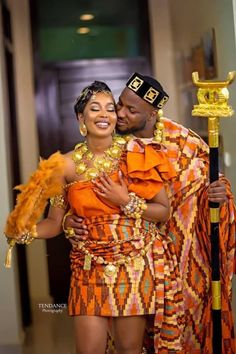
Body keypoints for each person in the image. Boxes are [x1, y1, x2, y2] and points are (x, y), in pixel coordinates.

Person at [5, 80, 185, 354]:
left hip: (133, 265)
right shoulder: (64, 166)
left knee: (129, 349)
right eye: (94, 108)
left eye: (110, 109)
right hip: (89, 268)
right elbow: (54, 223)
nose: (104, 115)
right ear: (81, 117)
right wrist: (23, 231)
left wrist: (125, 201)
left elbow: (163, 211)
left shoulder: (135, 154)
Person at [65, 73, 236, 353]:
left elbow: (207, 180)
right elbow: (79, 190)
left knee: (177, 331)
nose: (119, 114)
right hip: (122, 259)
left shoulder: (182, 142)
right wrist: (67, 220)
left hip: (182, 256)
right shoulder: (109, 143)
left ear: (153, 114)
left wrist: (219, 195)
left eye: (131, 110)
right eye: (119, 104)